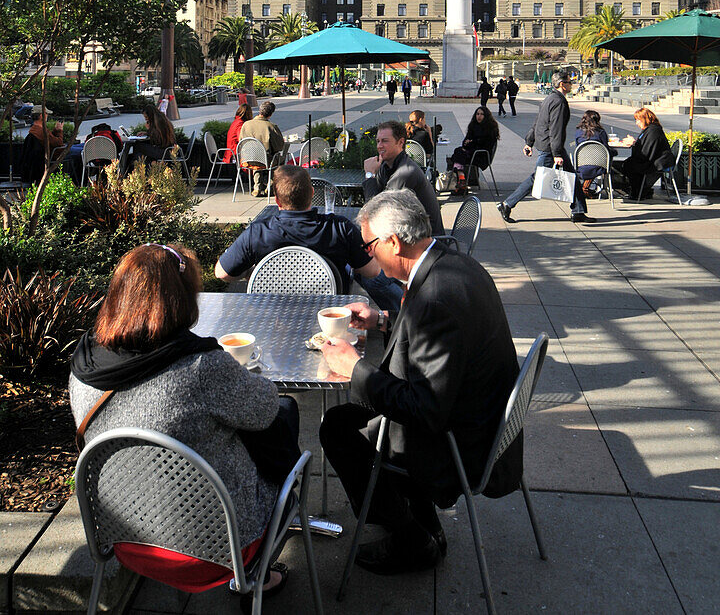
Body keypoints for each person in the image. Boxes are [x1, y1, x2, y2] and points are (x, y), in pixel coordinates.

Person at [69, 243, 298, 598]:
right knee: (285, 414)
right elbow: (265, 408)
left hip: (124, 538)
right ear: (183, 301)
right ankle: (258, 578)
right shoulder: (201, 368)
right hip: (220, 552)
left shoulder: (82, 367)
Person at [319, 191, 521, 575]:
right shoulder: (454, 265)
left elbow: (423, 409)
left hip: (458, 443)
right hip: (478, 414)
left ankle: (412, 539)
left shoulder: (435, 300)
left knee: (337, 427)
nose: (368, 254)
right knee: (356, 416)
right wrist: (381, 319)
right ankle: (414, 518)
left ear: (394, 242)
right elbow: (437, 342)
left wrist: (355, 367)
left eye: (369, 245)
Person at [215, 166, 402, 312]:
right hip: (329, 315)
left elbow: (222, 273)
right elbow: (371, 271)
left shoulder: (258, 232)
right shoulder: (339, 228)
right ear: (312, 194)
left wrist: (254, 272)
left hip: (273, 319)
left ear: (277, 200)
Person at [497, 70, 594, 224]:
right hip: (550, 147)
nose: (571, 84)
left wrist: (529, 141)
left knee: (573, 176)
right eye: (569, 82)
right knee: (537, 178)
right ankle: (507, 204)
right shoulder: (559, 102)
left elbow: (538, 122)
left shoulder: (549, 98)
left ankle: (578, 211)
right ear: (562, 84)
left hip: (550, 145)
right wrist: (556, 153)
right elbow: (555, 128)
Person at [363, 121, 443, 235]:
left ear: (400, 142)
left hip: (424, 244)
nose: (379, 146)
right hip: (406, 234)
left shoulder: (405, 172)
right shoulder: (386, 166)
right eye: (378, 141)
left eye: (384, 141)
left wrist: (370, 175)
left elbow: (377, 214)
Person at [613, 107, 673, 200]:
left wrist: (634, 144)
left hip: (656, 162)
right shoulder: (650, 129)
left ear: (645, 119)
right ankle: (639, 190)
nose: (637, 123)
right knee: (628, 163)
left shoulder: (653, 131)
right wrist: (635, 143)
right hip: (655, 159)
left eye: (638, 120)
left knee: (629, 165)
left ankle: (638, 192)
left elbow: (645, 152)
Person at [447, 106, 500, 189]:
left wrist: (471, 143)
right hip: (472, 152)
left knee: (457, 155)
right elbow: (465, 142)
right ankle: (462, 179)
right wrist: (469, 143)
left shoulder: (490, 128)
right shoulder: (473, 126)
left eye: (482, 114)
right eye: (477, 114)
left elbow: (485, 145)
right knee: (458, 151)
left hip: (481, 155)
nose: (479, 116)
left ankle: (461, 179)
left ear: (486, 116)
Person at [239, 100, 284, 196]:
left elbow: (241, 141)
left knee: (256, 156)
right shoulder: (271, 126)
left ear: (260, 111)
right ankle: (270, 187)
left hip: (248, 158)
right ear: (271, 114)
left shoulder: (246, 125)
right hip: (266, 161)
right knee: (277, 159)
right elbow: (279, 146)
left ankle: (257, 186)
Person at [118, 104, 175, 177]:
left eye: (146, 117)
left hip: (164, 151)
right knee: (139, 154)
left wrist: (149, 129)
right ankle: (138, 170)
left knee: (137, 146)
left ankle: (133, 170)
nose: (145, 119)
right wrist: (147, 133)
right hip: (165, 149)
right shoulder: (161, 119)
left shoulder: (159, 122)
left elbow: (157, 138)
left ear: (150, 115)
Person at [21, 110, 69, 184]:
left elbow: (50, 140)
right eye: (46, 113)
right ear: (41, 116)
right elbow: (58, 143)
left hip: (52, 152)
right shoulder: (41, 131)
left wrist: (55, 131)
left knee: (80, 147)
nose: (47, 115)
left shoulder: (36, 129)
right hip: (57, 153)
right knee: (81, 150)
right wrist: (60, 131)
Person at [574, 110, 613, 196]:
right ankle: (589, 188)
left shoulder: (578, 132)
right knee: (607, 159)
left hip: (581, 165)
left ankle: (585, 188)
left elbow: (577, 146)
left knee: (590, 163)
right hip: (599, 165)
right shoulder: (600, 132)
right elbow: (605, 149)